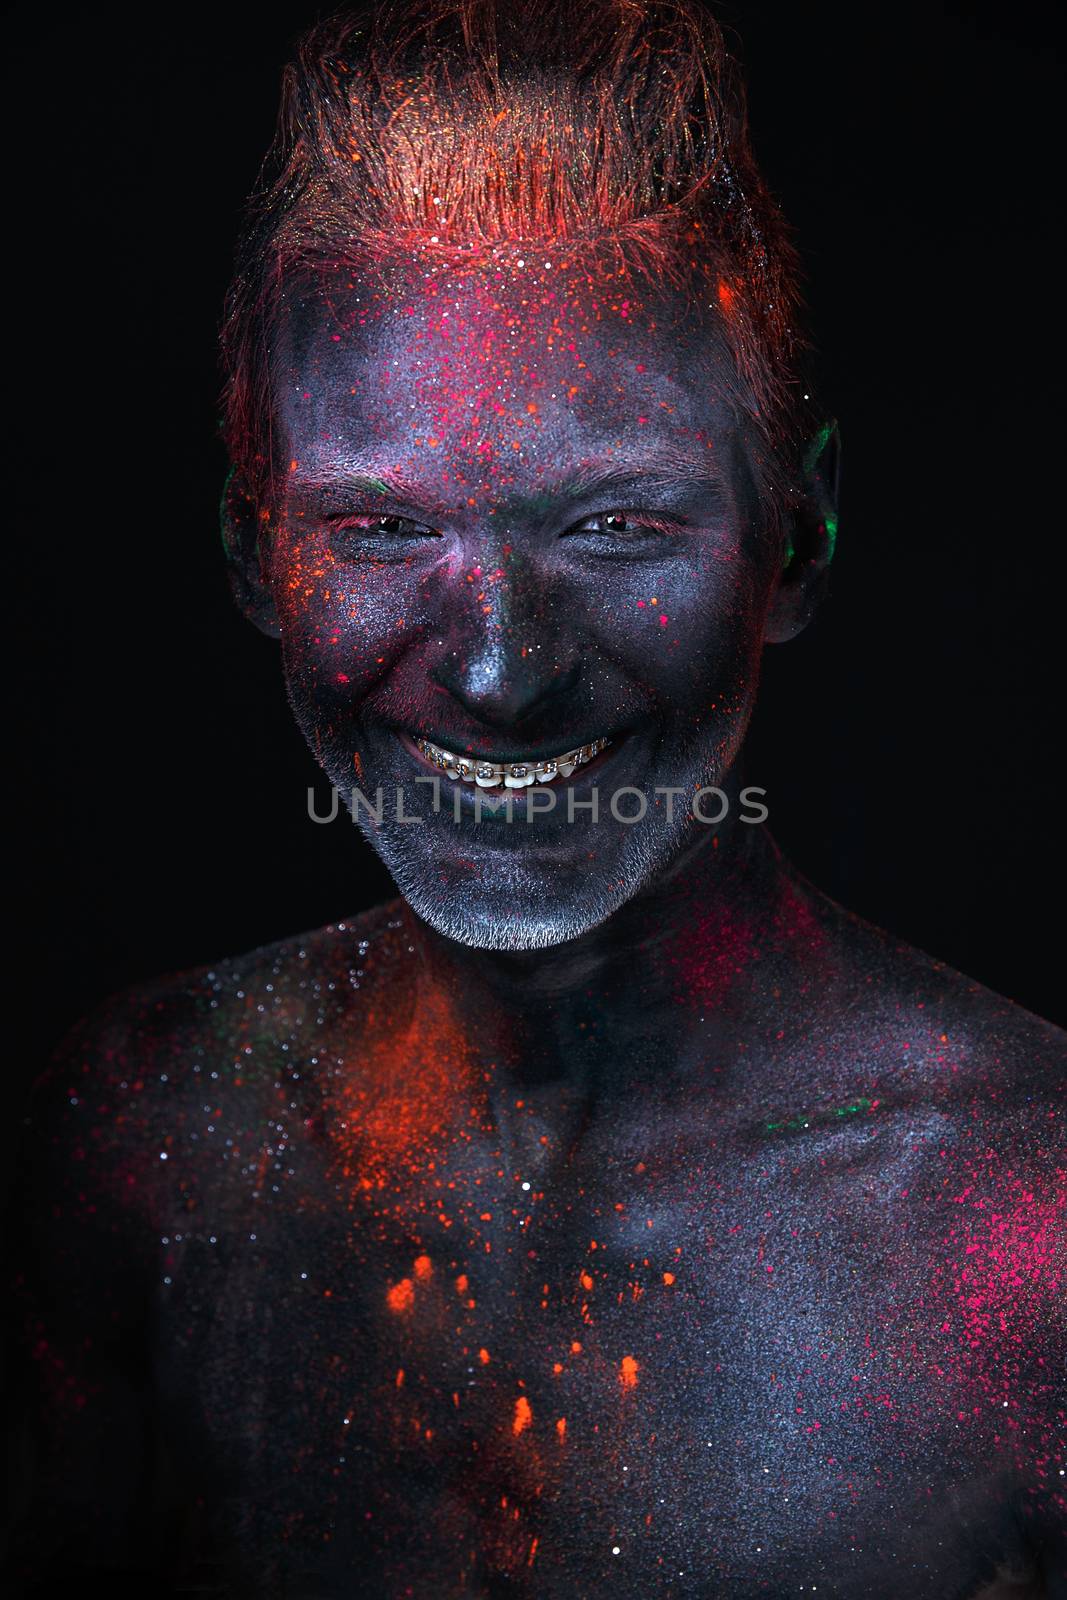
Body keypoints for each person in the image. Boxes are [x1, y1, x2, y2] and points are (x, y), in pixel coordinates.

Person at [10, 3, 1064, 1596]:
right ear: (250, 554)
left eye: (619, 525)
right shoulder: (147, 1150)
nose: (501, 671)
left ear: (801, 539)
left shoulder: (1031, 1225)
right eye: (374, 531)